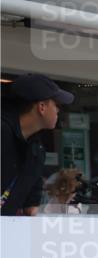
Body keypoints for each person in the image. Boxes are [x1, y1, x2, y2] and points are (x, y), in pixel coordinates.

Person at [2, 74, 74, 216]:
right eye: (56, 104)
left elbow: (31, 207)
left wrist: (58, 208)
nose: (59, 110)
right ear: (42, 107)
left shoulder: (36, 152)